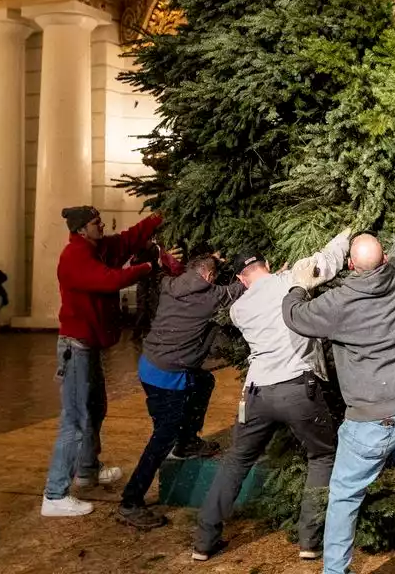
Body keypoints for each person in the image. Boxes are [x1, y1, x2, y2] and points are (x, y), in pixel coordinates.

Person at [282, 190, 395, 574]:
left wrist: (299, 284)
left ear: (350, 264)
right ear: (384, 261)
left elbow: (296, 316)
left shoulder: (338, 303)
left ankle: (336, 570)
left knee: (345, 498)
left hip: (367, 422)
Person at [192, 232, 350, 559]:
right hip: (298, 390)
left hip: (257, 394)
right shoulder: (290, 280)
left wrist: (276, 278)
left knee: (236, 459)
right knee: (321, 456)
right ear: (266, 264)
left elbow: (261, 294)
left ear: (240, 278)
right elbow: (326, 261)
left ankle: (204, 542)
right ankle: (310, 541)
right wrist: (347, 233)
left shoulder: (239, 310)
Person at [41, 205, 163, 518]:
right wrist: (147, 268)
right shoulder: (74, 257)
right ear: (81, 229)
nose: (102, 226)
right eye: (96, 223)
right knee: (75, 418)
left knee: (95, 408)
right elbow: (109, 281)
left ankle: (87, 469)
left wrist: (159, 216)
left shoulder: (99, 247)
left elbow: (128, 239)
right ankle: (55, 493)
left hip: (89, 344)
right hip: (75, 346)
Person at [116, 250, 235, 530]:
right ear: (208, 276)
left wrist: (211, 260)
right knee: (162, 438)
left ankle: (188, 442)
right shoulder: (210, 297)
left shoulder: (170, 285)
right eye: (213, 276)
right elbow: (243, 286)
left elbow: (175, 270)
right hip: (167, 375)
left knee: (204, 381)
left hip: (150, 365)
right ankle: (130, 501)